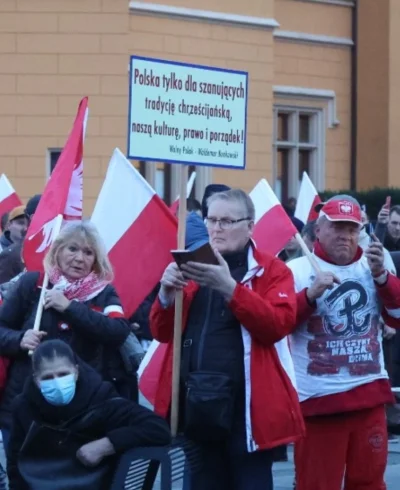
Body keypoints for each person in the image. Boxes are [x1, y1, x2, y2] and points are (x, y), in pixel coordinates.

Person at [150, 188, 304, 490]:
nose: (216, 228)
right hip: (196, 406)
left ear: (250, 226)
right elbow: (161, 332)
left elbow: (277, 325)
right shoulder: (191, 262)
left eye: (227, 221)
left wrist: (230, 288)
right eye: (211, 219)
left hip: (247, 410)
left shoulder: (272, 270)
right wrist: (165, 296)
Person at [287, 195, 400, 490]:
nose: (345, 236)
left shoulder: (373, 265)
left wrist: (382, 278)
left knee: (370, 483)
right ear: (318, 230)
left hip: (370, 396)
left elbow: (397, 317)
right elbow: (277, 323)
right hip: (318, 402)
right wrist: (310, 296)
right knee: (316, 485)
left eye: (352, 229)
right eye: (337, 227)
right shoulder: (296, 270)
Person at [0, 221, 133, 450]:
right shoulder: (33, 284)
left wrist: (70, 307)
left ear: (96, 259)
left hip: (81, 410)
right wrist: (19, 339)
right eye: (73, 249)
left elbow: (118, 331)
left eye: (88, 252)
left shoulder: (104, 292)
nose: (80, 258)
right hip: (25, 405)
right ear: (58, 251)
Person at [7, 340, 170, 490]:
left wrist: (107, 444)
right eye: (48, 377)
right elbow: (16, 461)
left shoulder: (101, 397)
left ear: (76, 372)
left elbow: (157, 428)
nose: (57, 382)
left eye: (63, 374)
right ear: (36, 380)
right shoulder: (23, 406)